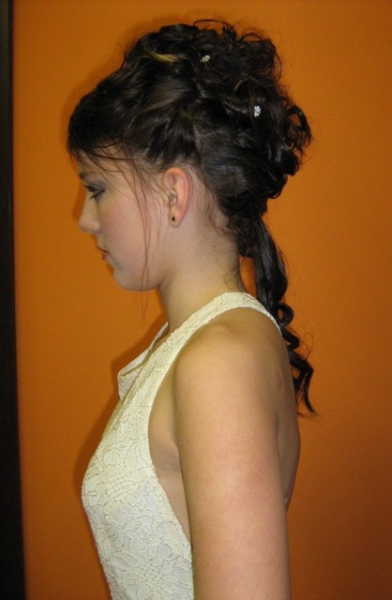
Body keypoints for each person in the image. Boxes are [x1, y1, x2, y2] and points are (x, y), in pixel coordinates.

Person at [68, 20, 314, 600]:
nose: (84, 218)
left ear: (173, 193)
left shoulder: (218, 360)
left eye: (97, 188)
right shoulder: (209, 342)